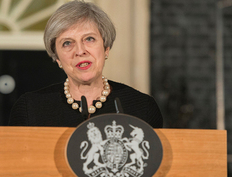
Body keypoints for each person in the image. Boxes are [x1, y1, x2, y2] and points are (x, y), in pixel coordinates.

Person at [9, 0, 163, 128]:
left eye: (89, 39)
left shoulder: (143, 108)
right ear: (57, 58)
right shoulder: (30, 108)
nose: (80, 50)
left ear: (106, 48)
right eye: (67, 43)